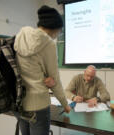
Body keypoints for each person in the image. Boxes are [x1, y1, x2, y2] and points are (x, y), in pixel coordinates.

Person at [13, 5, 71, 135]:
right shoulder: (49, 44)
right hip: (38, 104)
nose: (58, 34)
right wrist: (65, 104)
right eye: (60, 31)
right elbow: (54, 78)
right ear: (55, 28)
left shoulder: (21, 35)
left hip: (19, 100)